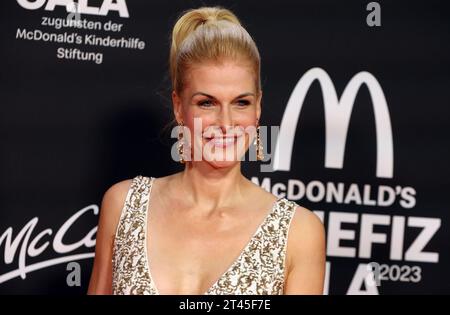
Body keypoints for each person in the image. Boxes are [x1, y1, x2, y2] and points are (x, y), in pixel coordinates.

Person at [87, 6, 325, 295]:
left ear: (258, 106)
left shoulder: (299, 232)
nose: (226, 124)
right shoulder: (124, 205)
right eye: (207, 103)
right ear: (178, 106)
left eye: (241, 103)